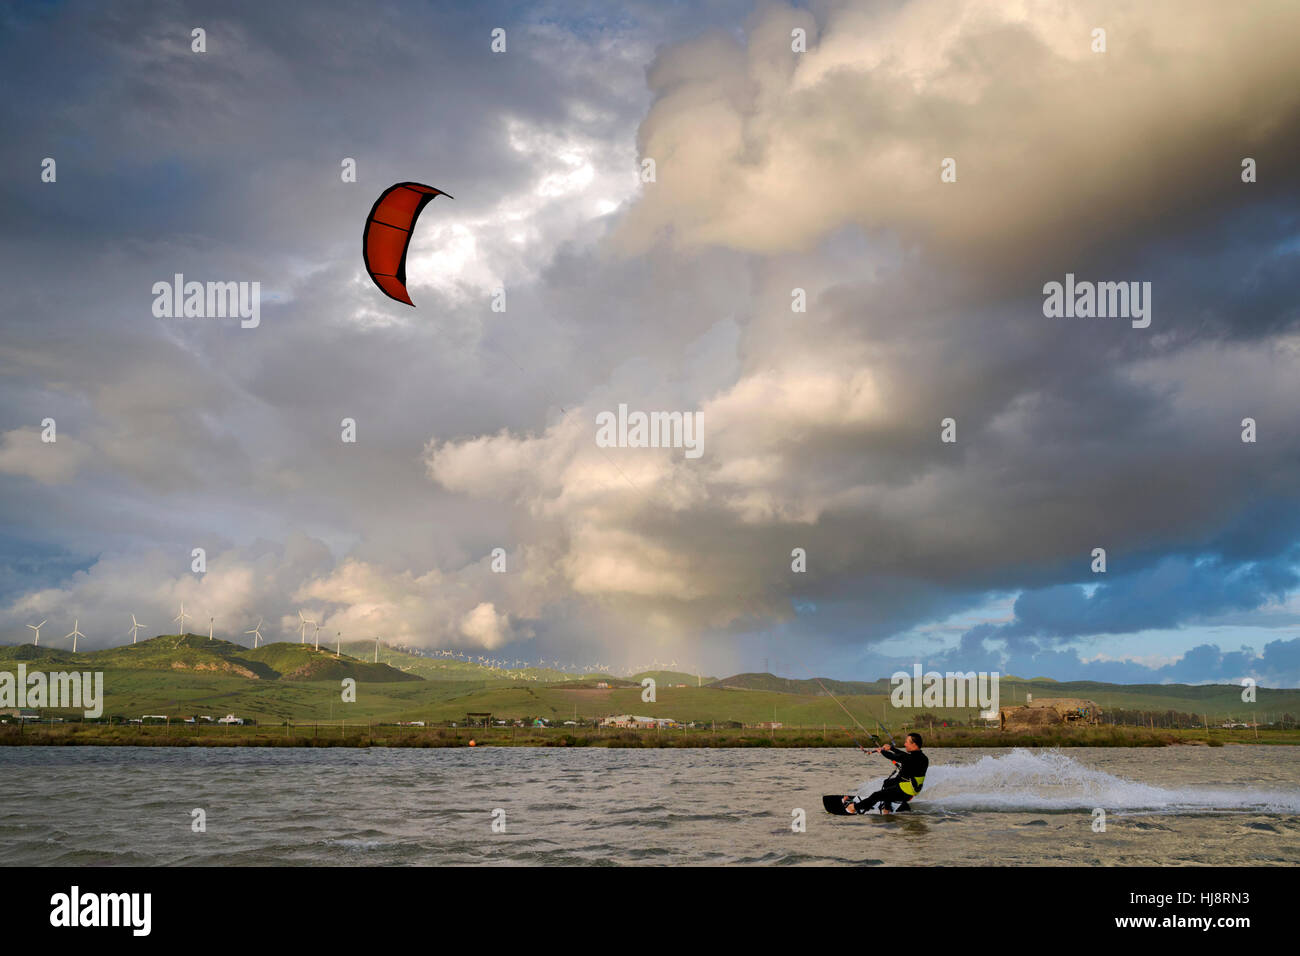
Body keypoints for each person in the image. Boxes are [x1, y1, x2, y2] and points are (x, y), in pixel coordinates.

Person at [843, 732, 927, 814]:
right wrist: (891, 748)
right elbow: (903, 755)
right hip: (912, 788)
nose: (905, 744)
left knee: (876, 795)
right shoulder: (923, 758)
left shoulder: (910, 758)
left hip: (905, 791)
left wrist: (882, 751)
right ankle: (887, 809)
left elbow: (894, 757)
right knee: (887, 783)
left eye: (906, 742)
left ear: (914, 744)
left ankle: (852, 808)